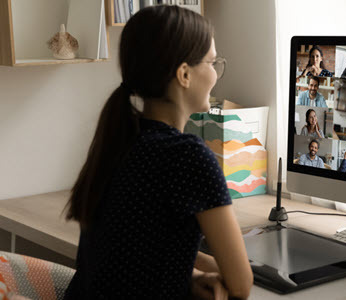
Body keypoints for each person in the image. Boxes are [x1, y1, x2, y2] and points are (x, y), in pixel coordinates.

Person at [63, 6, 252, 299]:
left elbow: (136, 247)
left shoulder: (120, 139)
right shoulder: (189, 156)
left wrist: (189, 274)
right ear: (184, 74)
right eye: (212, 62)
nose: (216, 74)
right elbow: (241, 284)